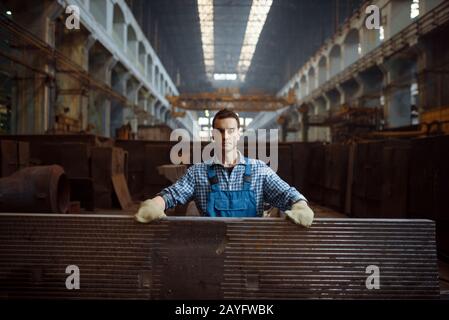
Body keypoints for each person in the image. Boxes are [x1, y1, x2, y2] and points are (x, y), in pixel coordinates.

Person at [135, 108, 314, 227]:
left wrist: (301, 206)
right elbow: (173, 194)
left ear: (238, 134)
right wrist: (155, 204)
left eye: (230, 131)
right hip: (211, 248)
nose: (225, 136)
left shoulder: (260, 171)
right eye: (220, 131)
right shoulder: (198, 172)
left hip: (252, 246)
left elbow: (286, 194)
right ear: (213, 135)